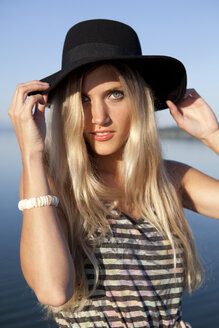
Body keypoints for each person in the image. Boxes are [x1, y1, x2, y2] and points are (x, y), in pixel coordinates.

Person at [8, 19, 219, 328]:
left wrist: (212, 134)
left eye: (115, 94)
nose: (99, 117)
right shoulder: (51, 184)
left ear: (138, 99)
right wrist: (31, 154)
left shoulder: (167, 180)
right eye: (83, 98)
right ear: (66, 108)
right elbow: (52, 291)